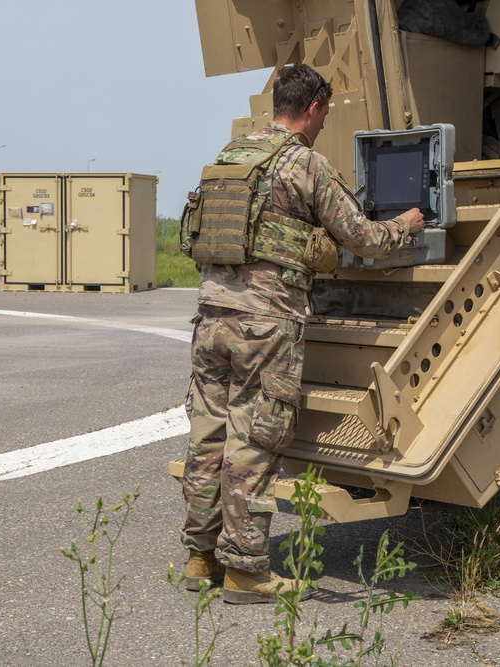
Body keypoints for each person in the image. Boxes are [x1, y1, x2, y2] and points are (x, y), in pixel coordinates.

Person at [180, 63, 425, 605]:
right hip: (265, 326)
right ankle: (246, 571)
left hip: (211, 318)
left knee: (208, 438)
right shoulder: (304, 164)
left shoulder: (229, 158)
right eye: (324, 115)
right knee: (254, 441)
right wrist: (405, 226)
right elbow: (363, 238)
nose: (322, 125)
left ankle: (200, 556)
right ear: (312, 108)